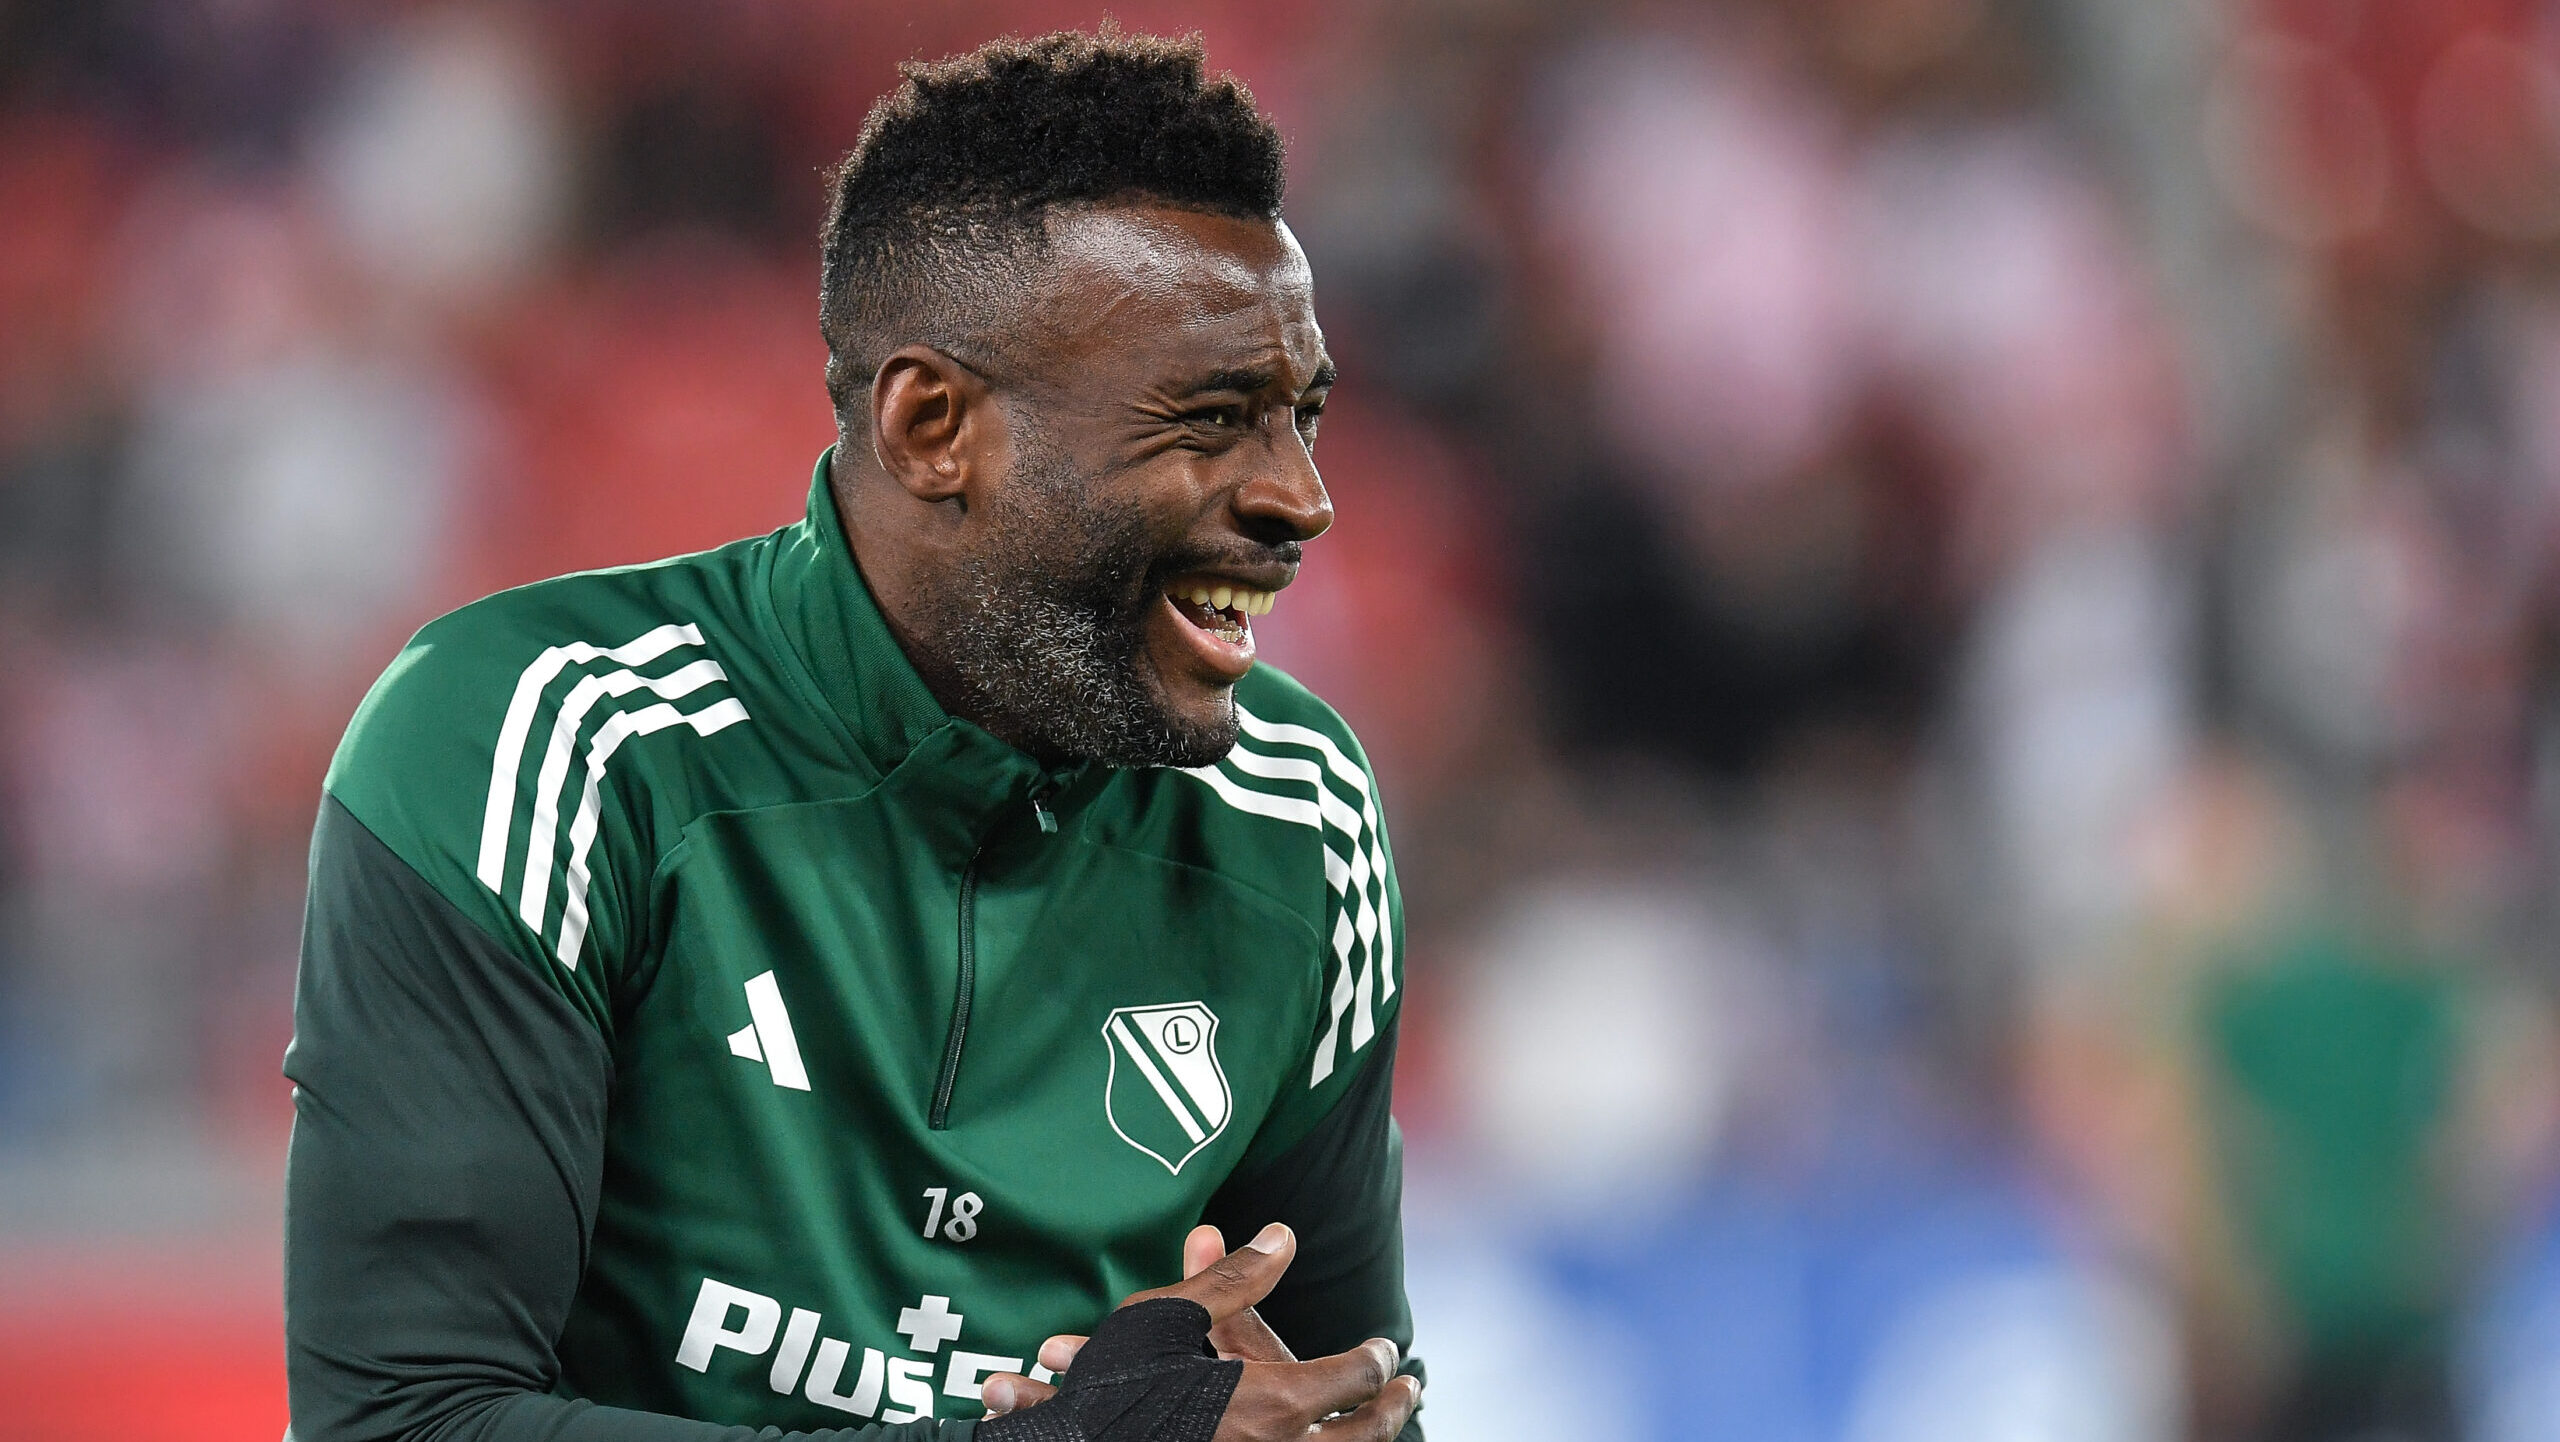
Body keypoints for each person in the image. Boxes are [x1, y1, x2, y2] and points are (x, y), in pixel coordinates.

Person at [282, 29, 1423, 1442]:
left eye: (1302, 417)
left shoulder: (1296, 813)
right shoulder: (549, 741)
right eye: (1211, 421)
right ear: (933, 426)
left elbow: (1345, 1407)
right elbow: (402, 1424)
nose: (1302, 497)